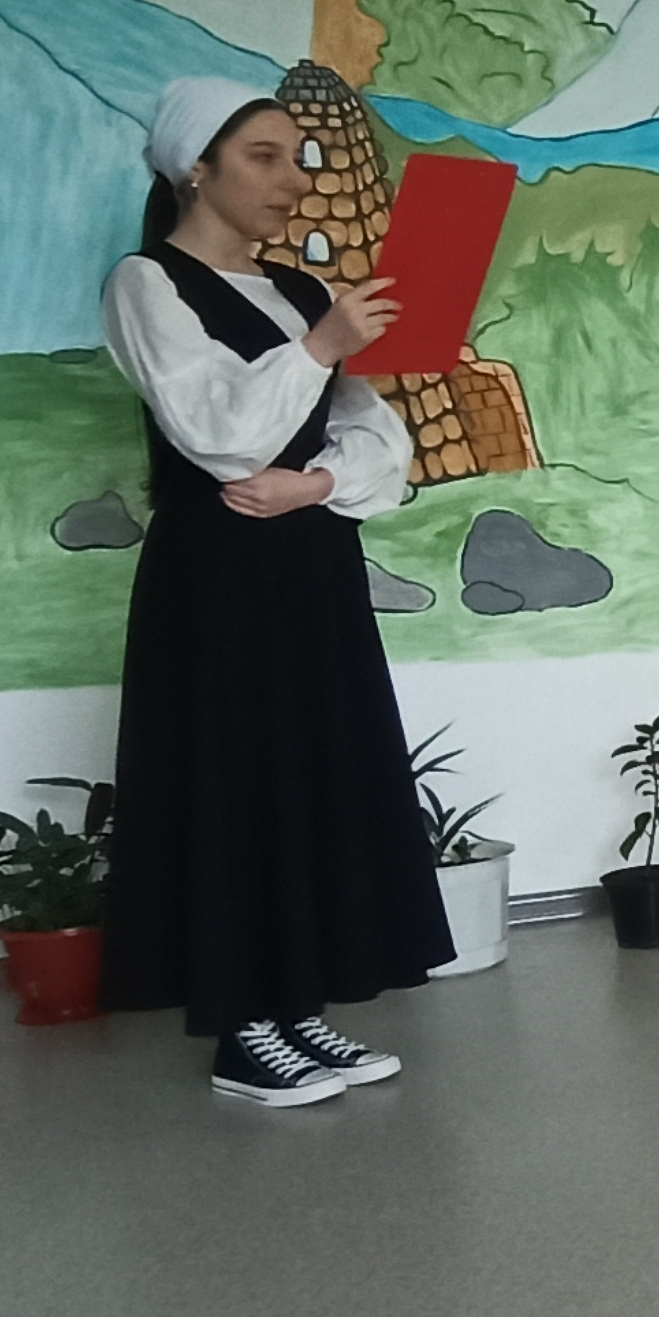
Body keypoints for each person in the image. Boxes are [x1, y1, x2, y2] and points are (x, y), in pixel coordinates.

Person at [100, 77, 452, 1105]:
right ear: (194, 167)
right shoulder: (146, 283)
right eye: (263, 156)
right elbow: (217, 431)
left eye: (298, 159)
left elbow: (379, 439)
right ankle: (242, 1027)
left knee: (312, 771)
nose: (292, 180)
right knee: (235, 778)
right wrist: (322, 348)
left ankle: (298, 1006)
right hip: (217, 576)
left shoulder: (302, 294)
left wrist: (318, 484)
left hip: (309, 564)